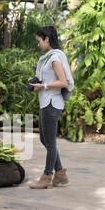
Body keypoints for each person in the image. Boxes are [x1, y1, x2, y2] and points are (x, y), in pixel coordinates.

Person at [28, 26, 70, 189]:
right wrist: (35, 82)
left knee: (50, 142)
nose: (38, 44)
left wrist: (43, 86)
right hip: (46, 102)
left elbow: (63, 82)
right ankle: (60, 173)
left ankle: (47, 176)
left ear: (47, 39)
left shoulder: (55, 58)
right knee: (44, 139)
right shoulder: (47, 58)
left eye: (39, 41)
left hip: (52, 103)